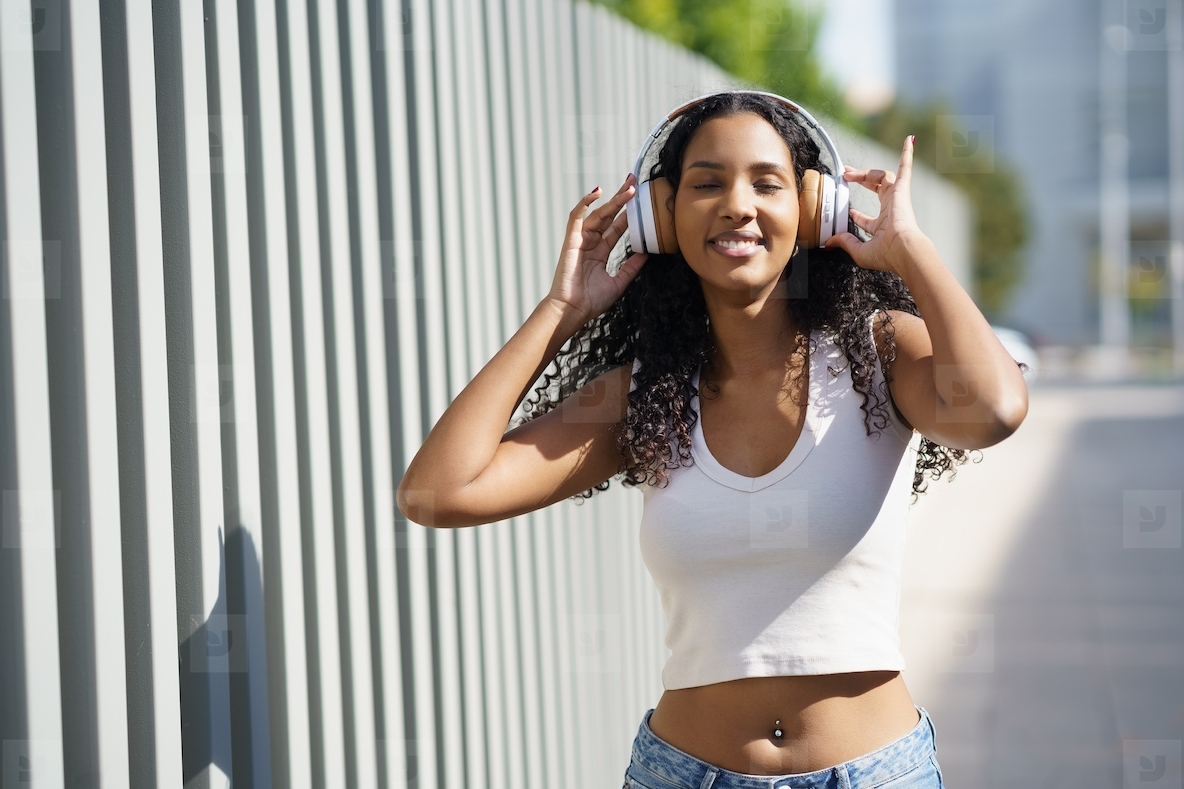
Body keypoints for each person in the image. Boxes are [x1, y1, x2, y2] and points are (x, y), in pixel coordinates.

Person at [396, 91, 1029, 788]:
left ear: (814, 208)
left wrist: (910, 251)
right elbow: (438, 491)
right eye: (706, 183)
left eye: (766, 182)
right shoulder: (640, 393)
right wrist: (561, 311)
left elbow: (995, 409)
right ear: (662, 218)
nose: (737, 204)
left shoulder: (878, 355)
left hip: (877, 773)